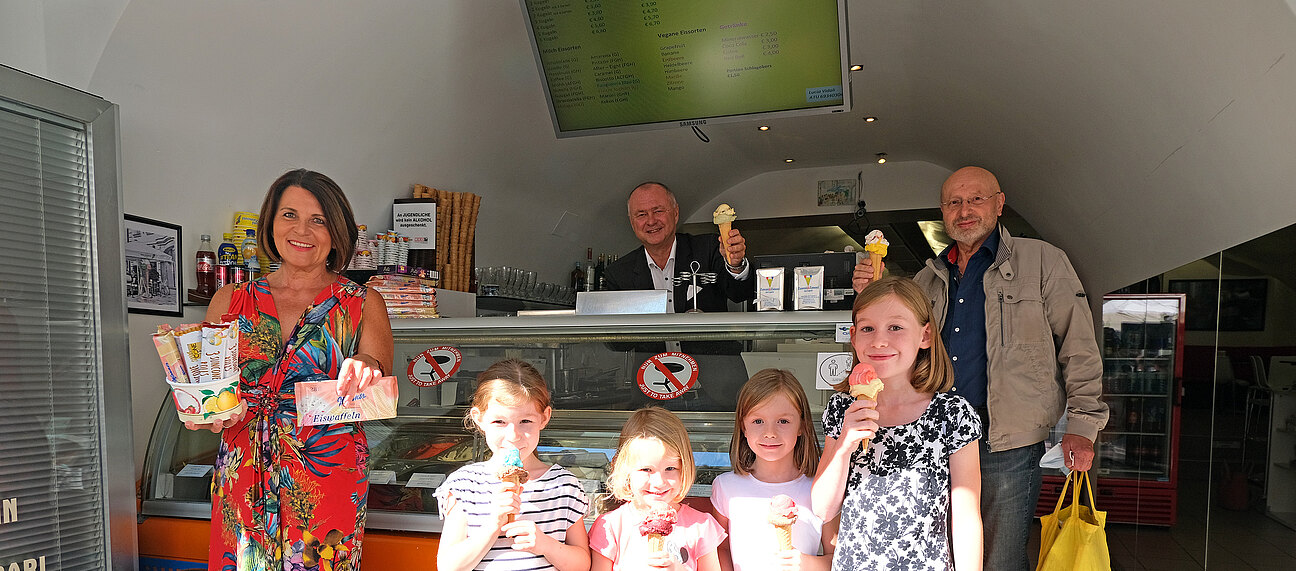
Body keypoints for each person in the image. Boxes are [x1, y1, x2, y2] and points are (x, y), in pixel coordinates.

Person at [851, 166, 1108, 570]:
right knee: (937, 551)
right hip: (933, 437)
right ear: (943, 211)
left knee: (1000, 558)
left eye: (976, 199)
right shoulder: (927, 277)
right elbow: (893, 342)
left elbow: (1078, 346)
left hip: (1004, 440)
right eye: (954, 202)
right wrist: (872, 295)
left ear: (1000, 204)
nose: (964, 210)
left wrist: (1083, 424)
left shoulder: (1042, 261)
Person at [191, 168, 393, 570]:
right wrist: (205, 412)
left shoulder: (362, 302)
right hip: (244, 467)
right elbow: (209, 389)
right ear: (271, 222)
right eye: (289, 215)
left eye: (318, 220)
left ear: (336, 232)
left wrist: (365, 366)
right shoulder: (229, 300)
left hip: (325, 472)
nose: (302, 230)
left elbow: (378, 371)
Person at [811, 276, 982, 570]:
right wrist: (844, 446)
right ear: (853, 337)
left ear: (925, 336)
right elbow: (823, 509)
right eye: (867, 328)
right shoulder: (842, 408)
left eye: (895, 327)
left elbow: (966, 517)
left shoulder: (952, 415)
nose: (879, 340)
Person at [436, 359, 591, 571]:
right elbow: (449, 566)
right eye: (499, 422)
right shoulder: (464, 484)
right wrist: (493, 525)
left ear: (544, 418)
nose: (513, 436)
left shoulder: (564, 485)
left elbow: (581, 565)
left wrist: (546, 545)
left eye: (525, 422)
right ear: (478, 418)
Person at [711, 369, 836, 571]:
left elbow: (838, 559)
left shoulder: (820, 489)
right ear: (743, 426)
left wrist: (807, 562)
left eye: (783, 421)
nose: (770, 433)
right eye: (758, 421)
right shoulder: (725, 487)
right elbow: (721, 550)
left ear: (802, 425)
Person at [589, 407, 726, 570]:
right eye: (646, 470)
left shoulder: (701, 526)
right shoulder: (610, 526)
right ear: (625, 471)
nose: (659, 482)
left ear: (684, 468)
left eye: (670, 469)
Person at [603, 182, 754, 312]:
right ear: (632, 222)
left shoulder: (708, 248)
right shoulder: (618, 273)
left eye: (658, 211)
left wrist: (735, 265)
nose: (651, 221)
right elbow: (617, 343)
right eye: (641, 214)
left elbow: (740, 294)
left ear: (675, 214)